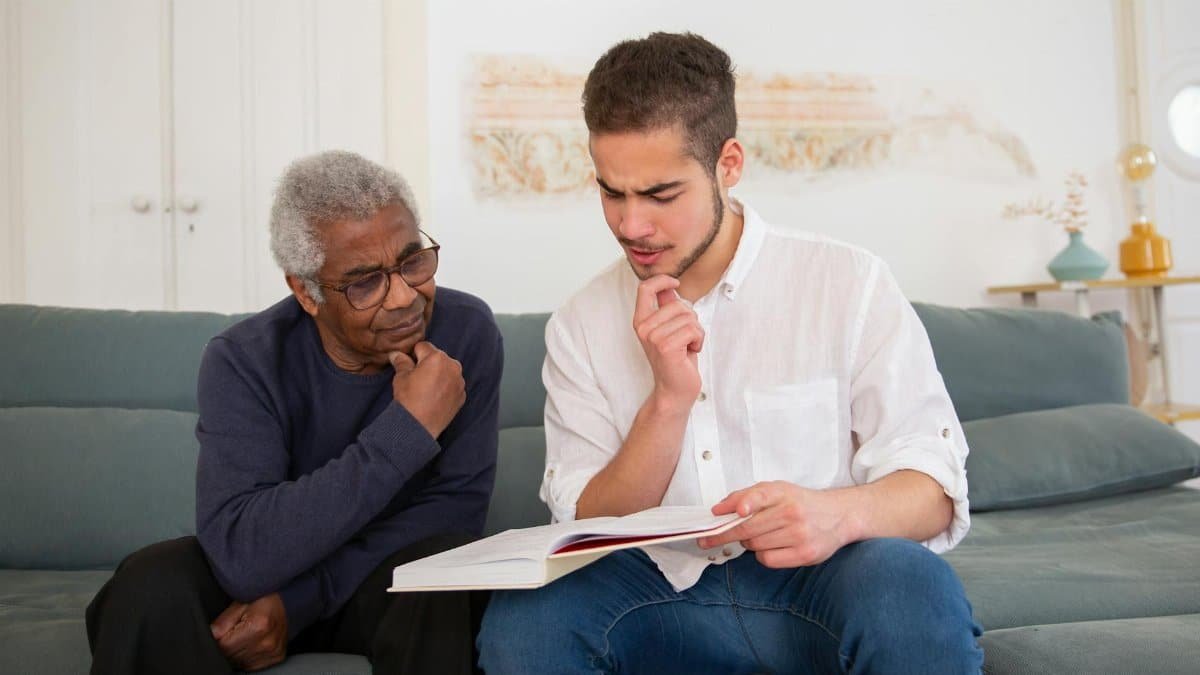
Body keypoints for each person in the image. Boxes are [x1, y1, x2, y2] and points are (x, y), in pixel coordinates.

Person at [478, 32, 983, 673]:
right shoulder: (580, 322)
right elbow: (586, 525)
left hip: (820, 583)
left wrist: (835, 513)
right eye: (612, 192)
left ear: (729, 164)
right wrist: (667, 402)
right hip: (654, 595)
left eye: (661, 195)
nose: (632, 225)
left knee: (908, 585)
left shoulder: (848, 282)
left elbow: (935, 486)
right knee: (526, 619)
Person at [86, 150, 501, 674]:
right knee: (151, 582)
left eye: (411, 260)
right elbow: (242, 553)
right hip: (262, 581)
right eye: (365, 281)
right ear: (305, 292)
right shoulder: (244, 358)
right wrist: (408, 430)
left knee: (444, 575)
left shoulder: (467, 332)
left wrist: (301, 601)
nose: (402, 297)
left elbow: (456, 511)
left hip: (385, 582)